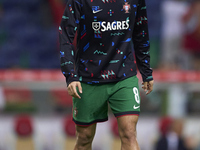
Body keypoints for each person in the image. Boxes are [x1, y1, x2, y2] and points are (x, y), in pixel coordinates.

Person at [59, 0, 154, 149]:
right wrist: (70, 75)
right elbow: (66, 36)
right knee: (84, 138)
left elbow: (141, 32)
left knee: (129, 133)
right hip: (88, 77)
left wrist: (146, 71)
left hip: (124, 76)